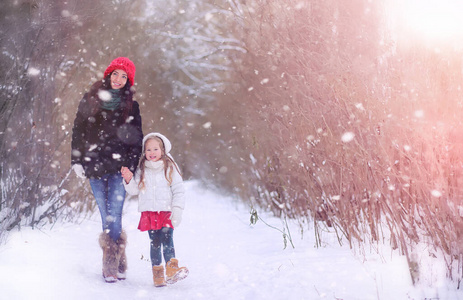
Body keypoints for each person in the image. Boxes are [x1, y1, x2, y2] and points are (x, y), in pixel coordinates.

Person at [71, 57, 143, 283]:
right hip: (94, 165)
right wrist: (77, 161)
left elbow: (136, 139)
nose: (119, 79)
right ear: (108, 75)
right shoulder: (91, 99)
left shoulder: (131, 106)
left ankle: (109, 266)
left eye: (124, 76)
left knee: (115, 216)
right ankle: (119, 261)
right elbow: (78, 131)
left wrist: (130, 167)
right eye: (116, 74)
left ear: (128, 80)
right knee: (106, 215)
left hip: (119, 168)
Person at [121, 132, 188, 287]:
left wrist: (177, 209)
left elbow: (178, 190)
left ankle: (172, 269)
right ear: (144, 152)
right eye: (148, 150)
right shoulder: (142, 168)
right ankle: (158, 276)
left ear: (163, 150)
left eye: (155, 149)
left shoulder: (170, 167)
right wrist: (129, 179)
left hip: (166, 212)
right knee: (155, 243)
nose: (152, 153)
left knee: (168, 239)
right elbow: (134, 190)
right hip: (150, 212)